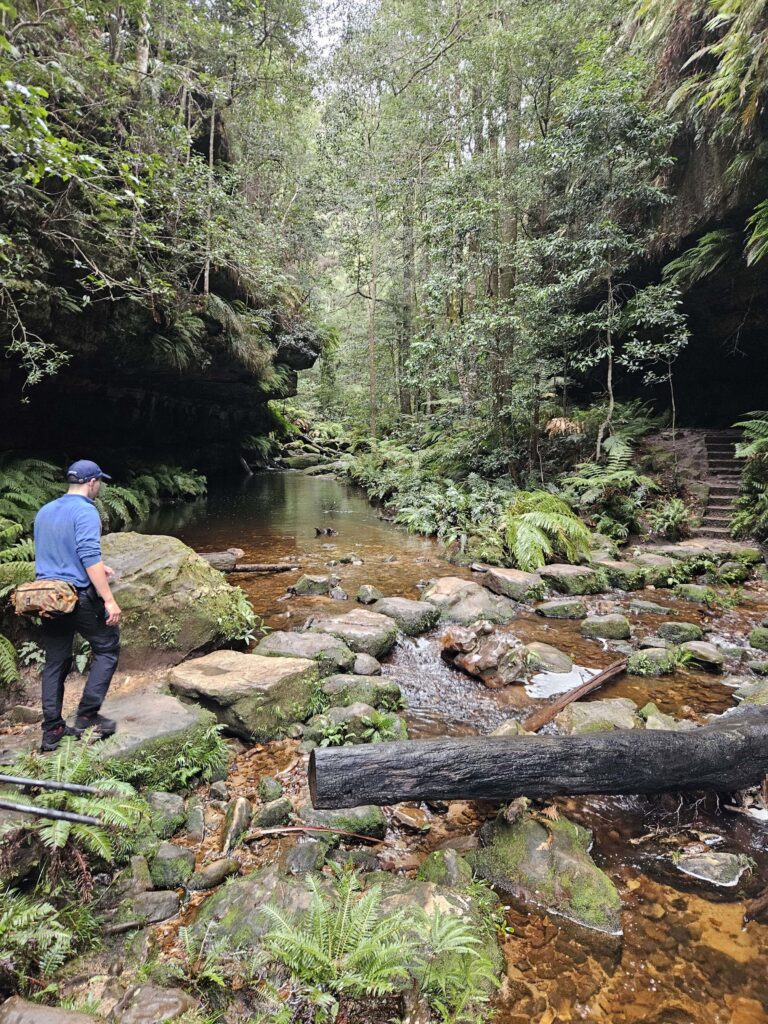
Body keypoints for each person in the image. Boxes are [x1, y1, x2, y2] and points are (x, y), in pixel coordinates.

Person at [34, 460, 122, 751]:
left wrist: (95, 566)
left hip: (48, 597)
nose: (99, 487)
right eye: (100, 483)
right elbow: (88, 554)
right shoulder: (86, 510)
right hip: (78, 596)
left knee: (56, 660)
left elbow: (52, 552)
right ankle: (87, 716)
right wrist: (109, 599)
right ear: (92, 482)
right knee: (107, 648)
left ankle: (52, 730)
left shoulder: (46, 510)